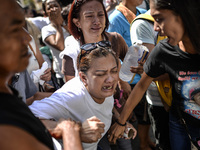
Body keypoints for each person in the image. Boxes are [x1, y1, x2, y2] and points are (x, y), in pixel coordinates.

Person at [108, 0, 200, 149]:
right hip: (180, 125)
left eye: (159, 19)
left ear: (182, 14)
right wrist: (121, 121)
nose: (156, 28)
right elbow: (141, 85)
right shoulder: (163, 50)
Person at [0, 0, 83, 149]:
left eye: (22, 26)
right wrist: (70, 133)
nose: (26, 39)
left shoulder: (8, 89)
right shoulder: (5, 129)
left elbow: (31, 99)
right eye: (13, 29)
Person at [29, 44, 137, 150]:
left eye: (114, 71)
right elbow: (28, 119)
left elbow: (105, 104)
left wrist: (119, 120)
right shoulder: (72, 96)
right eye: (100, 74)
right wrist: (77, 131)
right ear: (84, 78)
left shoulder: (104, 89)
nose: (111, 79)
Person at [130, 10, 171, 150]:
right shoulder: (142, 23)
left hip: (185, 100)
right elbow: (152, 71)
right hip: (160, 99)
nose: (156, 28)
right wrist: (122, 120)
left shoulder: (187, 16)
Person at [42, 0, 70, 87]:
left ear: (61, 8)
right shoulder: (46, 30)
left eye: (55, 6)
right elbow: (60, 46)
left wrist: (62, 23)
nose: (53, 9)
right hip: (63, 73)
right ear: (45, 13)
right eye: (49, 8)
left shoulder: (69, 23)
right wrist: (58, 25)